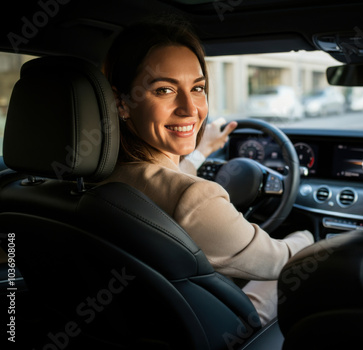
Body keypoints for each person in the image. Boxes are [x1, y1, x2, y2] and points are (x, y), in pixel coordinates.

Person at [101, 15, 314, 325]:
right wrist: (312, 237)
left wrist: (201, 151)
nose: (190, 109)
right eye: (164, 90)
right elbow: (281, 261)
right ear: (122, 103)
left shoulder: (92, 180)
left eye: (198, 88)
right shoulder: (196, 198)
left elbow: (162, 184)